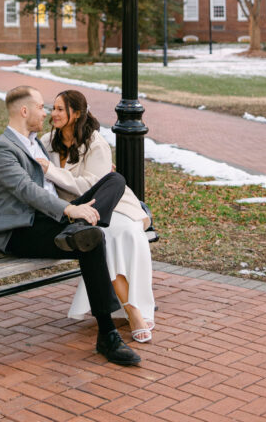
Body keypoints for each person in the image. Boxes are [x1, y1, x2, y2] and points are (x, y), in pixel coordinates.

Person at [0, 85, 141, 366]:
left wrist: (72, 211)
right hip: (21, 231)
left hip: (51, 221)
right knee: (91, 239)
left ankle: (107, 335)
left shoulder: (37, 143)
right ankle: (108, 333)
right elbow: (26, 191)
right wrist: (71, 209)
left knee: (113, 183)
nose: (45, 113)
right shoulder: (2, 149)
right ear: (24, 111)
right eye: (41, 107)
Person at [38, 90, 156, 343]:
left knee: (121, 233)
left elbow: (90, 185)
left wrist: (52, 171)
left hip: (110, 206)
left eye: (60, 109)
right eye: (53, 108)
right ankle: (132, 311)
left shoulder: (95, 143)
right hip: (77, 211)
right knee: (103, 236)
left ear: (76, 113)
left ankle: (133, 307)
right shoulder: (47, 142)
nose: (54, 114)